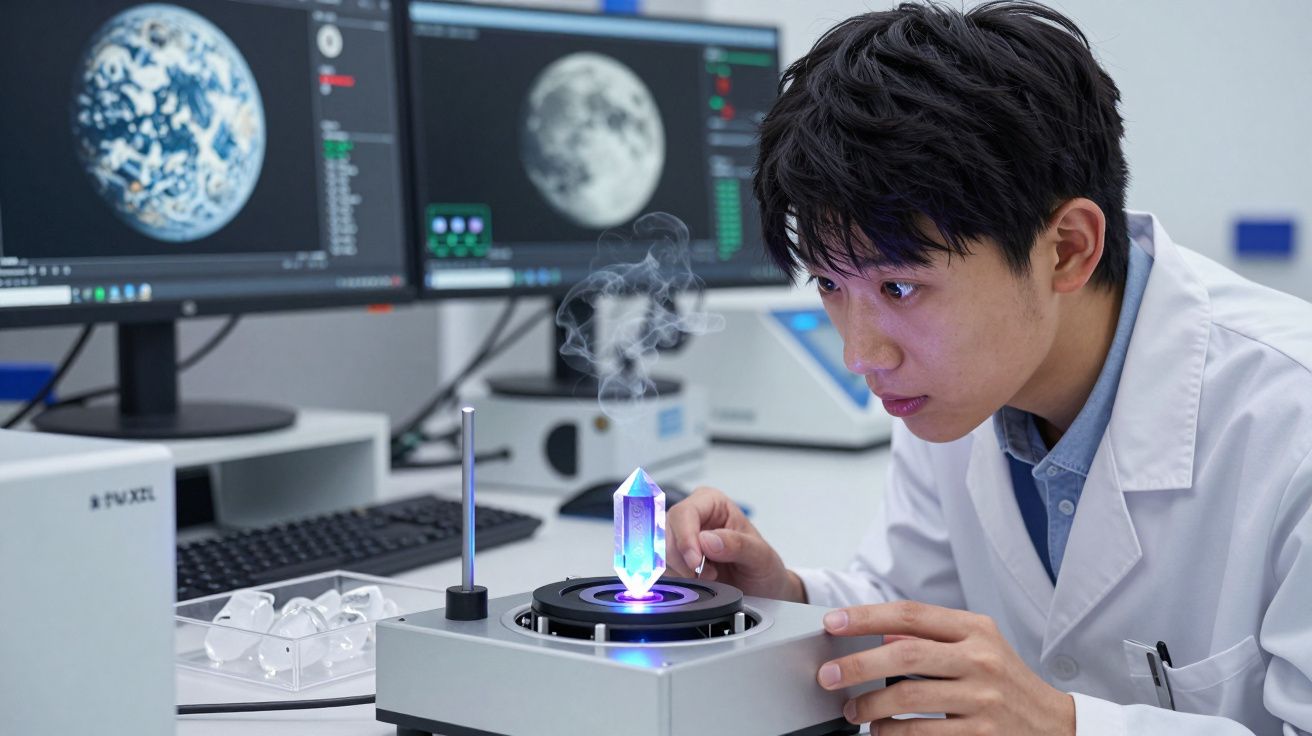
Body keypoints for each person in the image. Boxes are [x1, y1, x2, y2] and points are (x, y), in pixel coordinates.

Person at [665, 2, 1312, 733]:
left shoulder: (1291, 424)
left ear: (1067, 248)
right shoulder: (957, 388)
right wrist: (777, 594)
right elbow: (912, 601)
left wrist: (1066, 726)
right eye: (829, 286)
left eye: (900, 287)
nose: (861, 355)